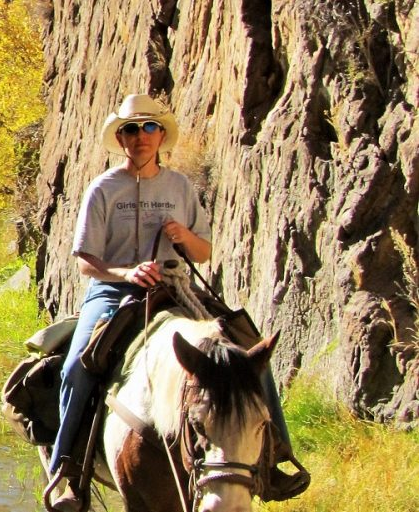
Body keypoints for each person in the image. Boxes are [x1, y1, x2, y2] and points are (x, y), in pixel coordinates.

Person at [45, 94, 305, 511]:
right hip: (115, 291)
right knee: (78, 365)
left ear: (161, 135)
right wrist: (126, 273)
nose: (140, 136)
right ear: (121, 138)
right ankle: (67, 473)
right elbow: (84, 261)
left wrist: (185, 237)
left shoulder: (180, 186)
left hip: (176, 286)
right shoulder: (103, 188)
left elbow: (203, 253)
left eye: (149, 127)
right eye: (131, 129)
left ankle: (275, 460)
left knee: (249, 351)